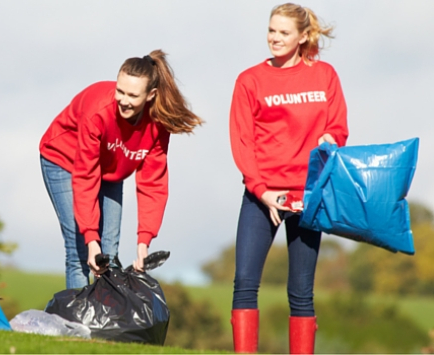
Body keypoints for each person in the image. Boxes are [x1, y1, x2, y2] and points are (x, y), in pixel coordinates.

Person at [228, 3, 348, 354]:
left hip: (309, 197)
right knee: (245, 284)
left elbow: (337, 126)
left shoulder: (325, 75)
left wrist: (332, 139)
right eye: (271, 30)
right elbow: (242, 141)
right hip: (262, 197)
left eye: (283, 32)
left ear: (302, 36)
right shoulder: (249, 80)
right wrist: (262, 191)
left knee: (301, 292)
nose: (275, 38)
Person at [40, 50, 202, 289]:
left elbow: (153, 183)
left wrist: (144, 242)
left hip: (110, 168)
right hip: (64, 160)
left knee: (109, 255)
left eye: (133, 95)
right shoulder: (98, 111)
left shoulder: (157, 125)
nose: (124, 100)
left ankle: (107, 321)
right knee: (81, 251)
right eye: (120, 91)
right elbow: (86, 176)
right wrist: (90, 237)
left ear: (150, 95)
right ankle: (76, 325)